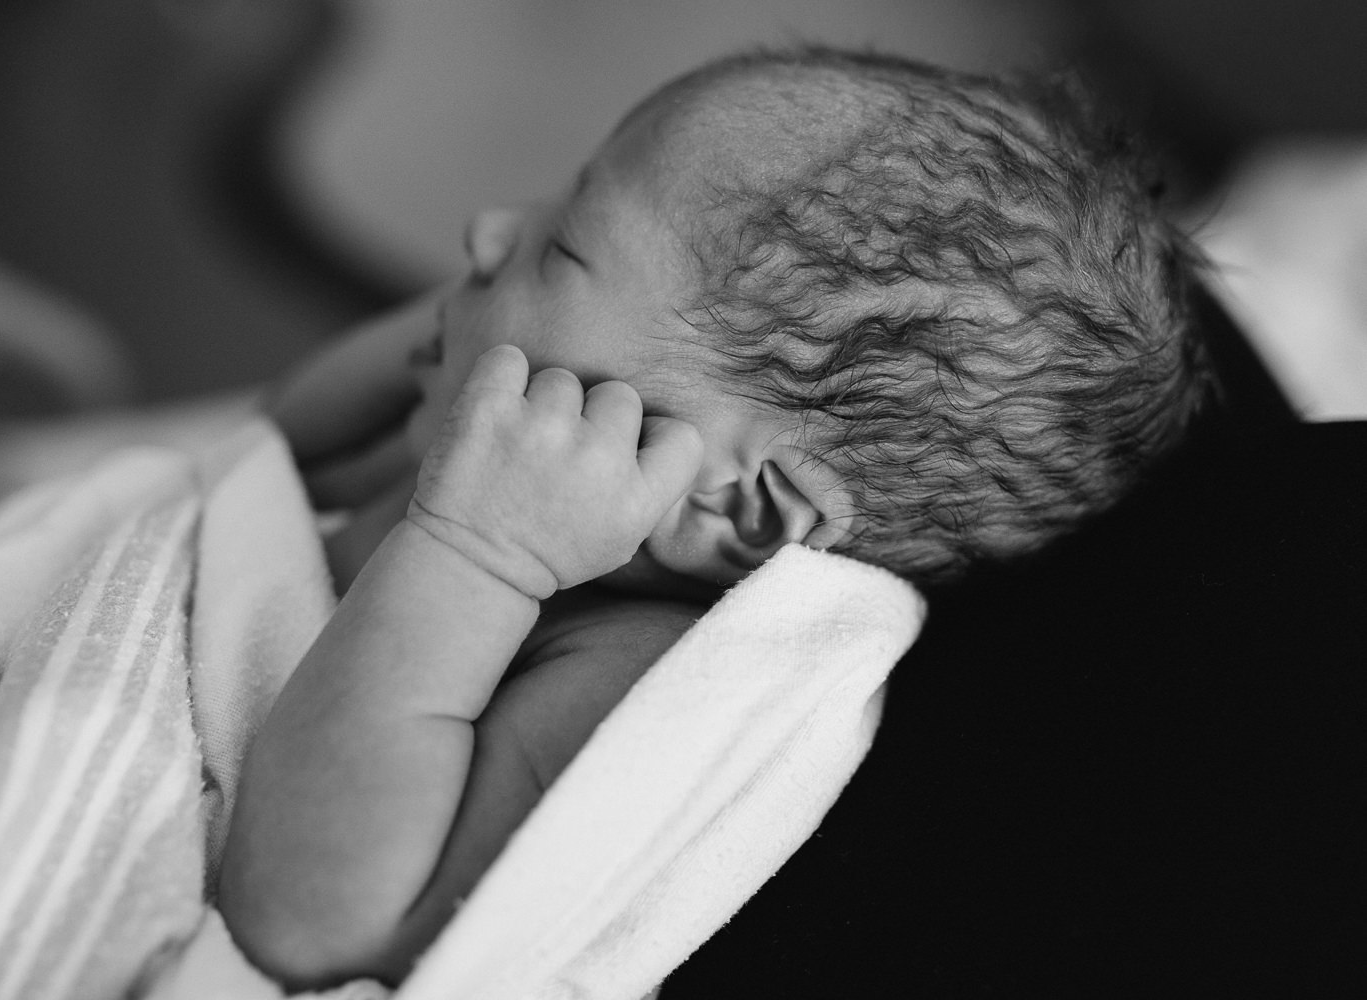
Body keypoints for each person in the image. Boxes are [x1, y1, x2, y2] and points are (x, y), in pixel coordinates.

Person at [217, 45, 1211, 988]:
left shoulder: (617, 667)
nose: (485, 229)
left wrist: (477, 559)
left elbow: (319, 922)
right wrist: (457, 329)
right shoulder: (498, 458)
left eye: (559, 249)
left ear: (735, 505)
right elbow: (265, 454)